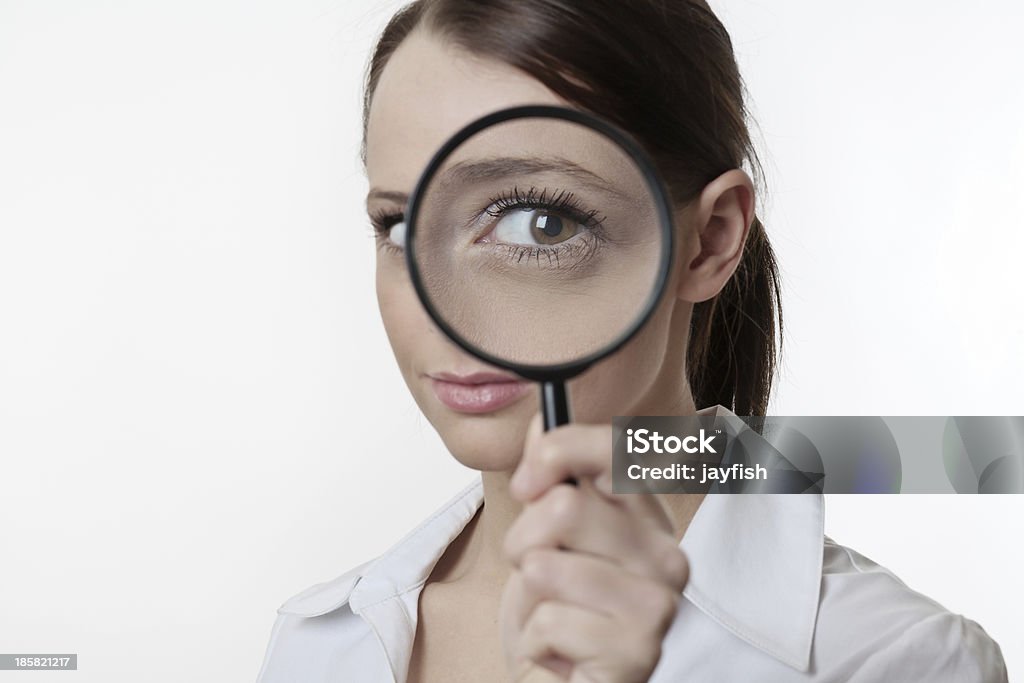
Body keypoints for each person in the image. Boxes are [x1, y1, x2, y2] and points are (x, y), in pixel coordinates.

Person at [256, 1, 1008, 680]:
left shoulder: (892, 659)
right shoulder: (320, 646)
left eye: (539, 222)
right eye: (397, 225)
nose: (433, 303)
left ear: (710, 241)